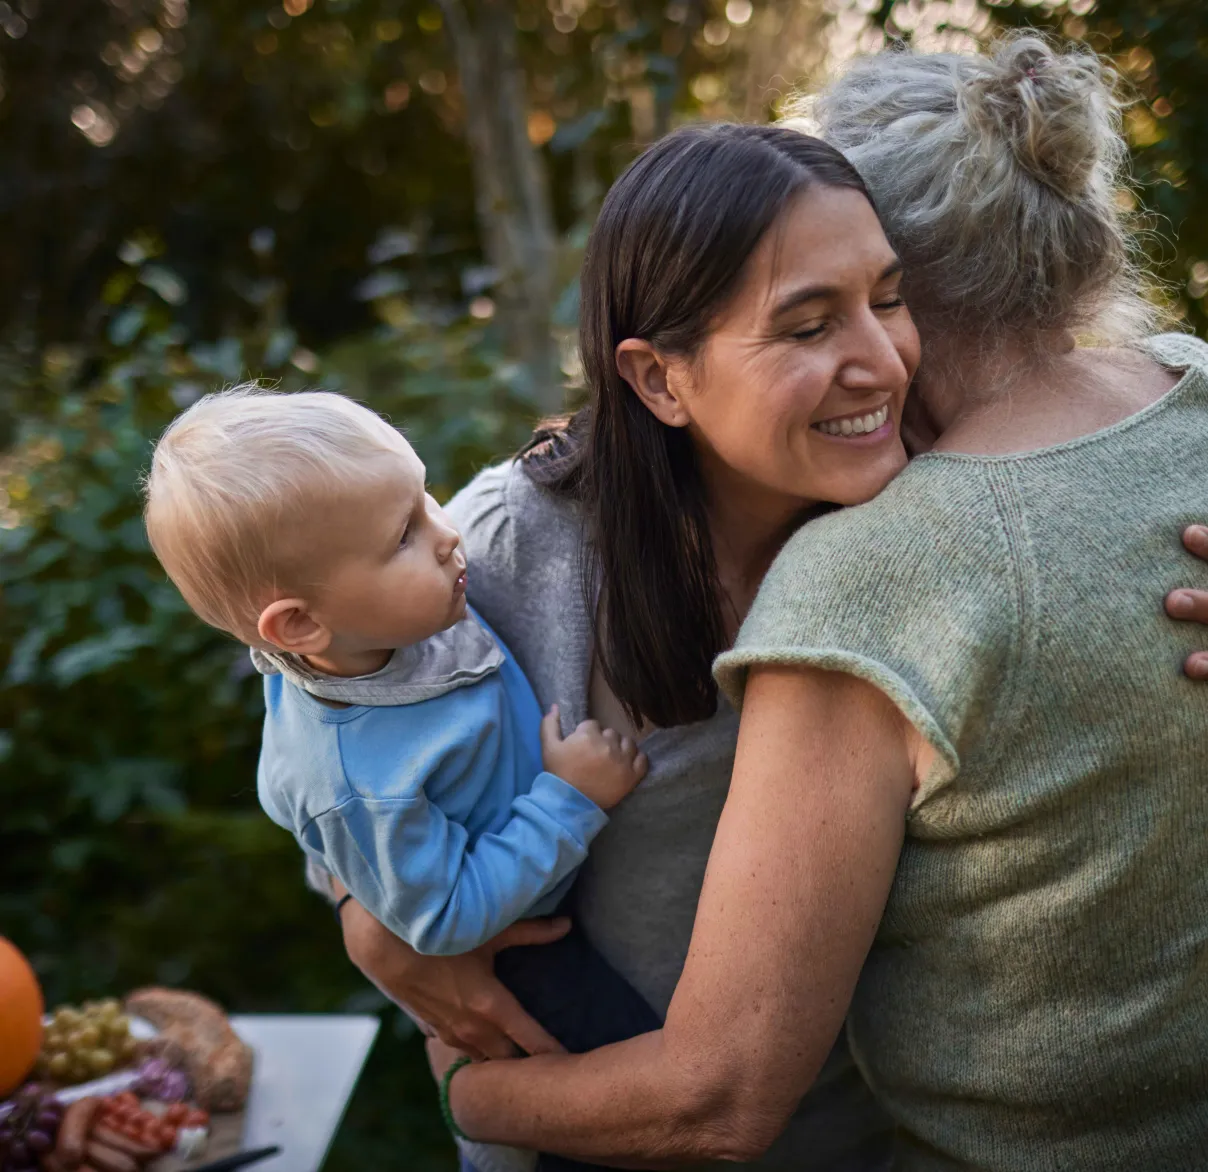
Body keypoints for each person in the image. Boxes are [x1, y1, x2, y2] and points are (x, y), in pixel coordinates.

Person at [420, 34, 1208, 1171]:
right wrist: (376, 919)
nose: (876, 361)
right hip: (597, 1128)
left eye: (884, 297)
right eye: (805, 318)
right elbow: (347, 722)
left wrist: (463, 1091)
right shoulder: (516, 543)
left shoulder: (879, 521)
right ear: (656, 377)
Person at [141, 388, 664, 1171]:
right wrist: (569, 798)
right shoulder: (359, 777)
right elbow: (444, 918)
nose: (449, 533)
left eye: (422, 496)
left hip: (535, 896)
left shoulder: (376, 632)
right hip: (519, 955)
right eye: (404, 536)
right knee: (634, 1108)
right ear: (299, 627)